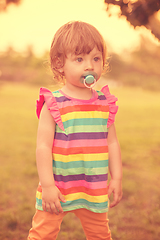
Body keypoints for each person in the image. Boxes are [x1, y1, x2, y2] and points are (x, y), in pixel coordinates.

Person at [28, 21, 122, 240]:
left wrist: (116, 178)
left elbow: (112, 142)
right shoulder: (53, 103)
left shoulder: (104, 103)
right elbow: (42, 147)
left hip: (93, 187)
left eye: (95, 59)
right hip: (58, 188)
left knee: (100, 235)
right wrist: (48, 186)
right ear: (60, 64)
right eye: (79, 59)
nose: (89, 66)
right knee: (42, 234)